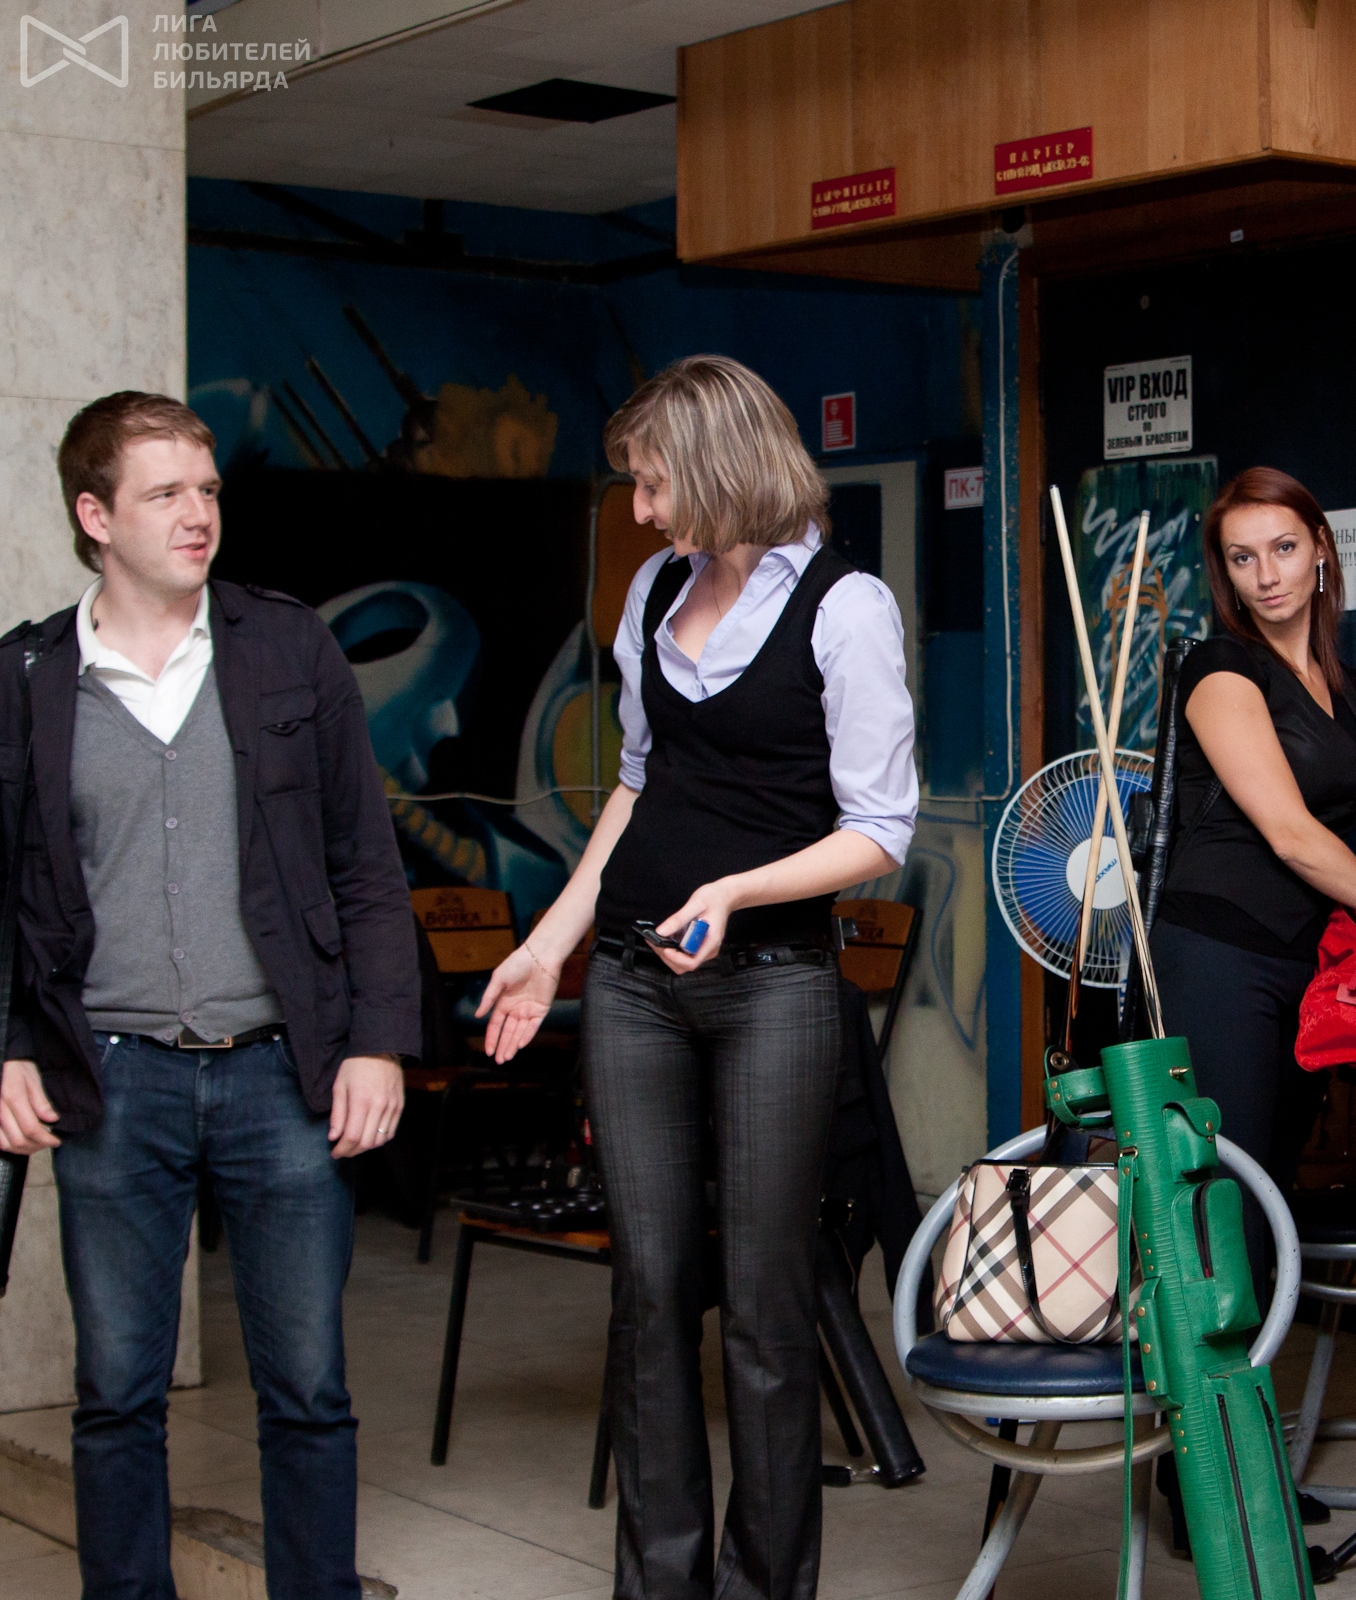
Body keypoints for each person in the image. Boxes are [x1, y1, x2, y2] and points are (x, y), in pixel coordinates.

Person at [475, 356, 915, 1600]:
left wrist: (735, 891)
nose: (642, 509)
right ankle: (658, 1584)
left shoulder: (845, 607)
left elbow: (879, 829)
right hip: (630, 980)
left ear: (720, 469)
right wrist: (551, 941)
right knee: (651, 1293)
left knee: (768, 1306)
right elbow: (636, 786)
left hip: (775, 986)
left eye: (655, 483)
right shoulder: (655, 592)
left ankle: (762, 1584)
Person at [0, 392, 417, 1600]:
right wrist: (10, 1046)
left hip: (282, 1072)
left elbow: (366, 864)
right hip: (109, 1076)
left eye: (208, 490)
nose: (198, 514)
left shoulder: (289, 649)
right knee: (116, 1393)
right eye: (165, 493)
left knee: (309, 1389)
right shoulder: (28, 678)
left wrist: (379, 1042)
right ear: (95, 516)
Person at [1150, 467, 1356, 1301]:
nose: (1267, 574)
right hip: (1217, 954)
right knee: (1231, 1199)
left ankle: (1248, 1367)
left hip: (1303, 963)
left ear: (1321, 550)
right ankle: (1213, 1382)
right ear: (1225, 572)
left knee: (1271, 1186)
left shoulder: (1354, 692)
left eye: (1284, 548)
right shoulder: (1220, 670)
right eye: (1243, 557)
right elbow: (1292, 836)